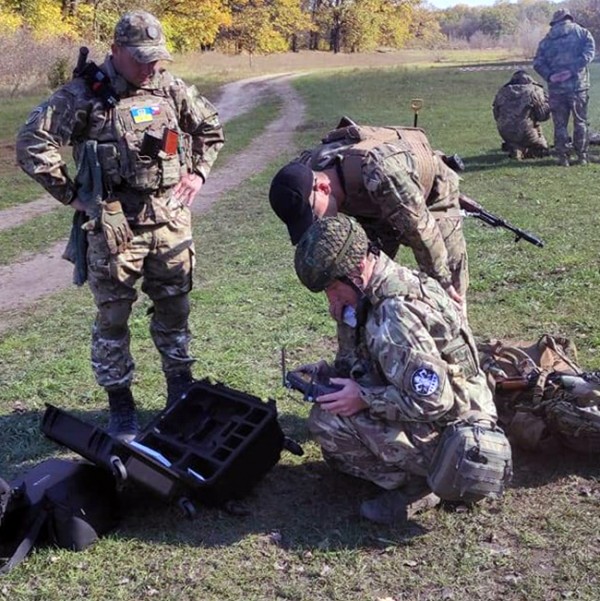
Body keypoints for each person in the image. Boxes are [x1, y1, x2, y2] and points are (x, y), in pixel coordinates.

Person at [16, 11, 225, 441]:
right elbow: (31, 142)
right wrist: (78, 198)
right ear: (115, 52)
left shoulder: (169, 87)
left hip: (169, 221)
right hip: (115, 229)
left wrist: (197, 174)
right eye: (141, 59)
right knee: (113, 318)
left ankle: (180, 393)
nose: (150, 67)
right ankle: (121, 407)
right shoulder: (83, 95)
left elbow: (210, 127)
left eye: (156, 58)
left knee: (176, 309)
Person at [291, 214, 505, 524]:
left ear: (358, 269)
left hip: (458, 441)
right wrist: (337, 358)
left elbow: (434, 401)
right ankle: (417, 474)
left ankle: (421, 484)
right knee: (334, 425)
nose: (331, 298)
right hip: (454, 412)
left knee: (328, 423)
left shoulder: (395, 314)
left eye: (333, 288)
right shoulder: (385, 286)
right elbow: (383, 363)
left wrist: (364, 398)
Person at [269, 122, 468, 305]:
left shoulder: (382, 173)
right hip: (372, 206)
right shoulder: (304, 171)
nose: (317, 225)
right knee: (367, 279)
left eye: (314, 215)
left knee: (449, 278)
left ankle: (458, 332)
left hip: (431, 193)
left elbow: (422, 231)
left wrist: (442, 282)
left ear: (322, 187)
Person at [533, 9, 596, 166]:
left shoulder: (547, 39)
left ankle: (563, 158)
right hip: (578, 87)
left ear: (555, 21)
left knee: (560, 124)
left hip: (556, 89)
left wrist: (550, 76)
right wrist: (572, 70)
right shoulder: (582, 33)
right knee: (580, 122)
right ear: (569, 18)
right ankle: (581, 156)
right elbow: (589, 53)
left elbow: (538, 63)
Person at [492, 70, 550, 160]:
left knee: (518, 134)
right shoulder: (535, 90)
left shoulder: (502, 92)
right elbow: (542, 116)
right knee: (542, 147)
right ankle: (528, 150)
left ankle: (516, 148)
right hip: (526, 133)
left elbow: (496, 114)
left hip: (505, 132)